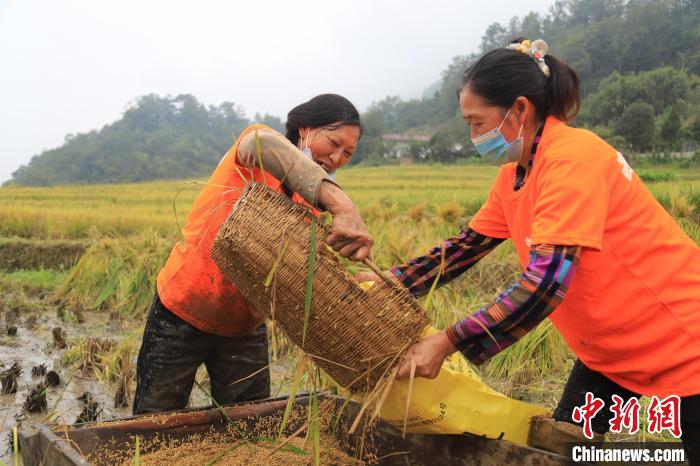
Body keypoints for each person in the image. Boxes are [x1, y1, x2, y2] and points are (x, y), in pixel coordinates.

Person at [358, 39, 700, 461]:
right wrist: (392, 281)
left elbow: (544, 286)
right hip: (607, 348)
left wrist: (446, 342)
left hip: (681, 338)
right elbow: (464, 249)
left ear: (520, 110)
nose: (473, 136)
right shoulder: (515, 177)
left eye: (477, 122)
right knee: (562, 450)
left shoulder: (572, 160)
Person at [133, 94, 372, 414]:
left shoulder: (309, 211)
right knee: (154, 420)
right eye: (334, 142)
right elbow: (262, 144)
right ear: (305, 129)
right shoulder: (257, 148)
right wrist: (342, 203)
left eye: (348, 153)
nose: (338, 157)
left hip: (244, 328)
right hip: (183, 310)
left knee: (251, 427)